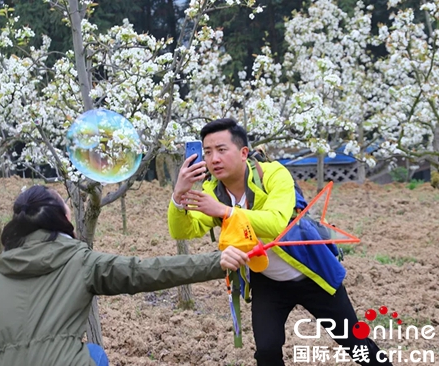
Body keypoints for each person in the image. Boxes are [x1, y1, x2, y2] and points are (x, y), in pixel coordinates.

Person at [167, 118, 393, 366]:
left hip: (311, 272)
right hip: (268, 281)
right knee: (266, 352)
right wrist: (178, 196)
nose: (214, 159)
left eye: (221, 150)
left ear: (243, 153)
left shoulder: (274, 174)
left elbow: (276, 224)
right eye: (207, 152)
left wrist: (226, 212)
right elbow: (184, 231)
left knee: (354, 343)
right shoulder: (212, 190)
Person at [0, 185, 246, 366]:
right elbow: (143, 272)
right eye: (66, 208)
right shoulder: (80, 262)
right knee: (95, 355)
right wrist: (215, 261)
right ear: (61, 220)